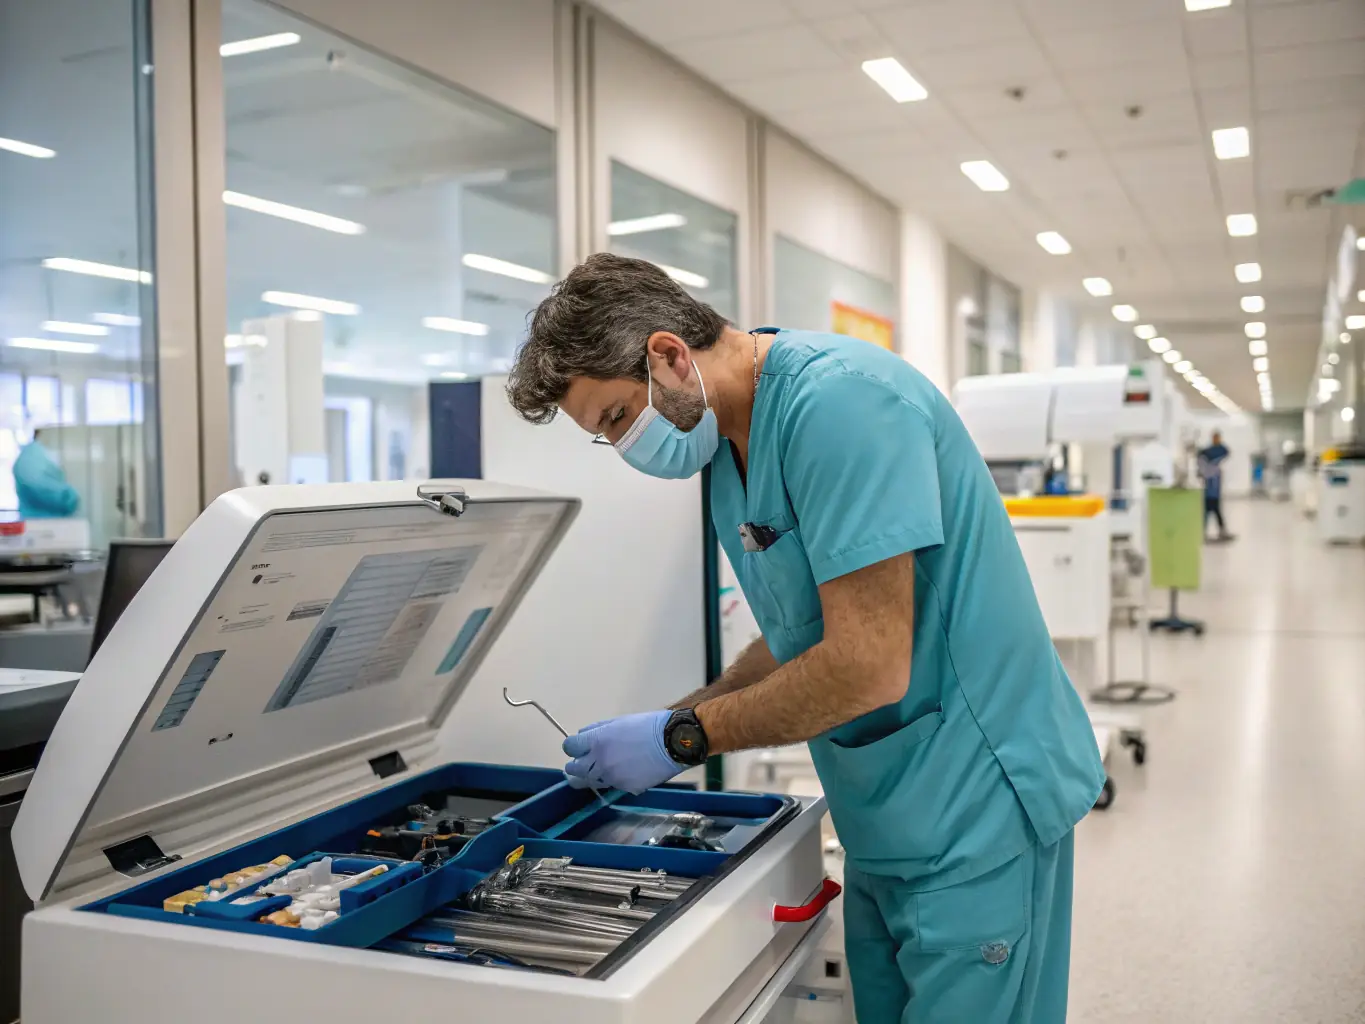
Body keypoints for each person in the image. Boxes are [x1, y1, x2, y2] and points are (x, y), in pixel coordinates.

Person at [505, 254, 1104, 1024]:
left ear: (667, 354)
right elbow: (800, 636)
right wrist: (681, 713)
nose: (624, 446)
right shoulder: (729, 445)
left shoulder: (841, 405)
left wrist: (685, 738)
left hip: (977, 803)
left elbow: (865, 665)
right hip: (885, 811)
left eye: (617, 417)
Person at [12, 429, 80, 519]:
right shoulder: (31, 457)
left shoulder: (36, 454)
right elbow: (34, 482)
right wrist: (68, 496)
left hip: (44, 522)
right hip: (38, 521)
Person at [1198, 431, 1231, 540]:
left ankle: (1221, 530)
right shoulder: (1207, 453)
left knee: (1216, 510)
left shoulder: (1219, 452)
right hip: (1208, 491)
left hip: (1214, 491)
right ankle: (1203, 532)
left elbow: (1225, 452)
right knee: (1207, 511)